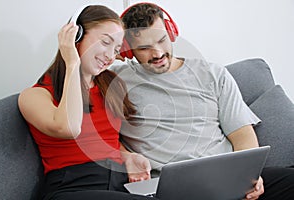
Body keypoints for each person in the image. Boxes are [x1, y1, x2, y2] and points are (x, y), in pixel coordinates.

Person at [110, 2, 294, 200]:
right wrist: (126, 155)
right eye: (144, 48)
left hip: (228, 177)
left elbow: (241, 134)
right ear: (127, 50)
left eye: (162, 40)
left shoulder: (212, 74)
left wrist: (249, 176)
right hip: (170, 188)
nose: (157, 53)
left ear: (171, 33)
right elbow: (94, 128)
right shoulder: (115, 82)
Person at [18, 5, 158, 200]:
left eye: (116, 49)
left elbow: (102, 140)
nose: (110, 56)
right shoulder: (34, 96)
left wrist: (128, 157)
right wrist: (72, 63)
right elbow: (69, 128)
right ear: (76, 36)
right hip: (73, 189)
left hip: (118, 185)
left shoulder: (109, 86)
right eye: (105, 42)